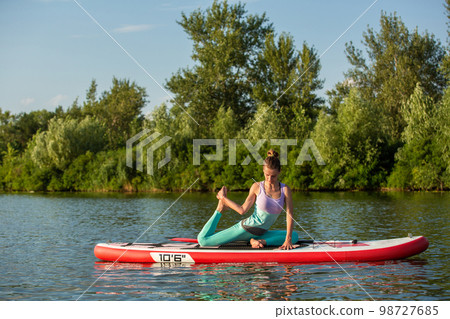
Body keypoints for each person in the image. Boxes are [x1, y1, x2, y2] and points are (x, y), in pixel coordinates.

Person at [197, 149, 299, 249]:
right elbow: (242, 210)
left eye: (273, 176)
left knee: (294, 236)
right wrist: (223, 198)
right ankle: (220, 209)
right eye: (267, 175)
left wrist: (288, 239)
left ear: (279, 172)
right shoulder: (257, 187)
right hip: (246, 229)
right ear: (263, 171)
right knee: (203, 240)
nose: (269, 179)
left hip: (261, 233)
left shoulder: (285, 189)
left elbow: (290, 215)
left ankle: (259, 242)